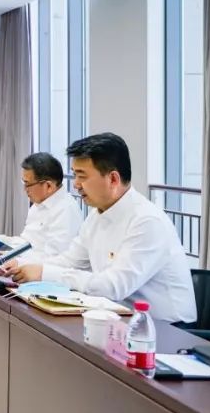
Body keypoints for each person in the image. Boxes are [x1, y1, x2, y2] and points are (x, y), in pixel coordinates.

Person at [12, 133, 195, 323]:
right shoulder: (96, 216)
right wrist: (23, 265)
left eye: (82, 176)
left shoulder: (147, 221)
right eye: (75, 175)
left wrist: (44, 273)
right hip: (117, 316)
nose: (75, 185)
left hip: (166, 329)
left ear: (113, 179)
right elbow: (70, 261)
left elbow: (114, 286)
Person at [0, 153, 83, 265]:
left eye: (27, 184)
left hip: (43, 272)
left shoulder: (66, 211)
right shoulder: (39, 204)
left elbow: (54, 260)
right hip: (26, 265)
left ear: (48, 186)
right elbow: (24, 243)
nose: (25, 189)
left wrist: (17, 261)